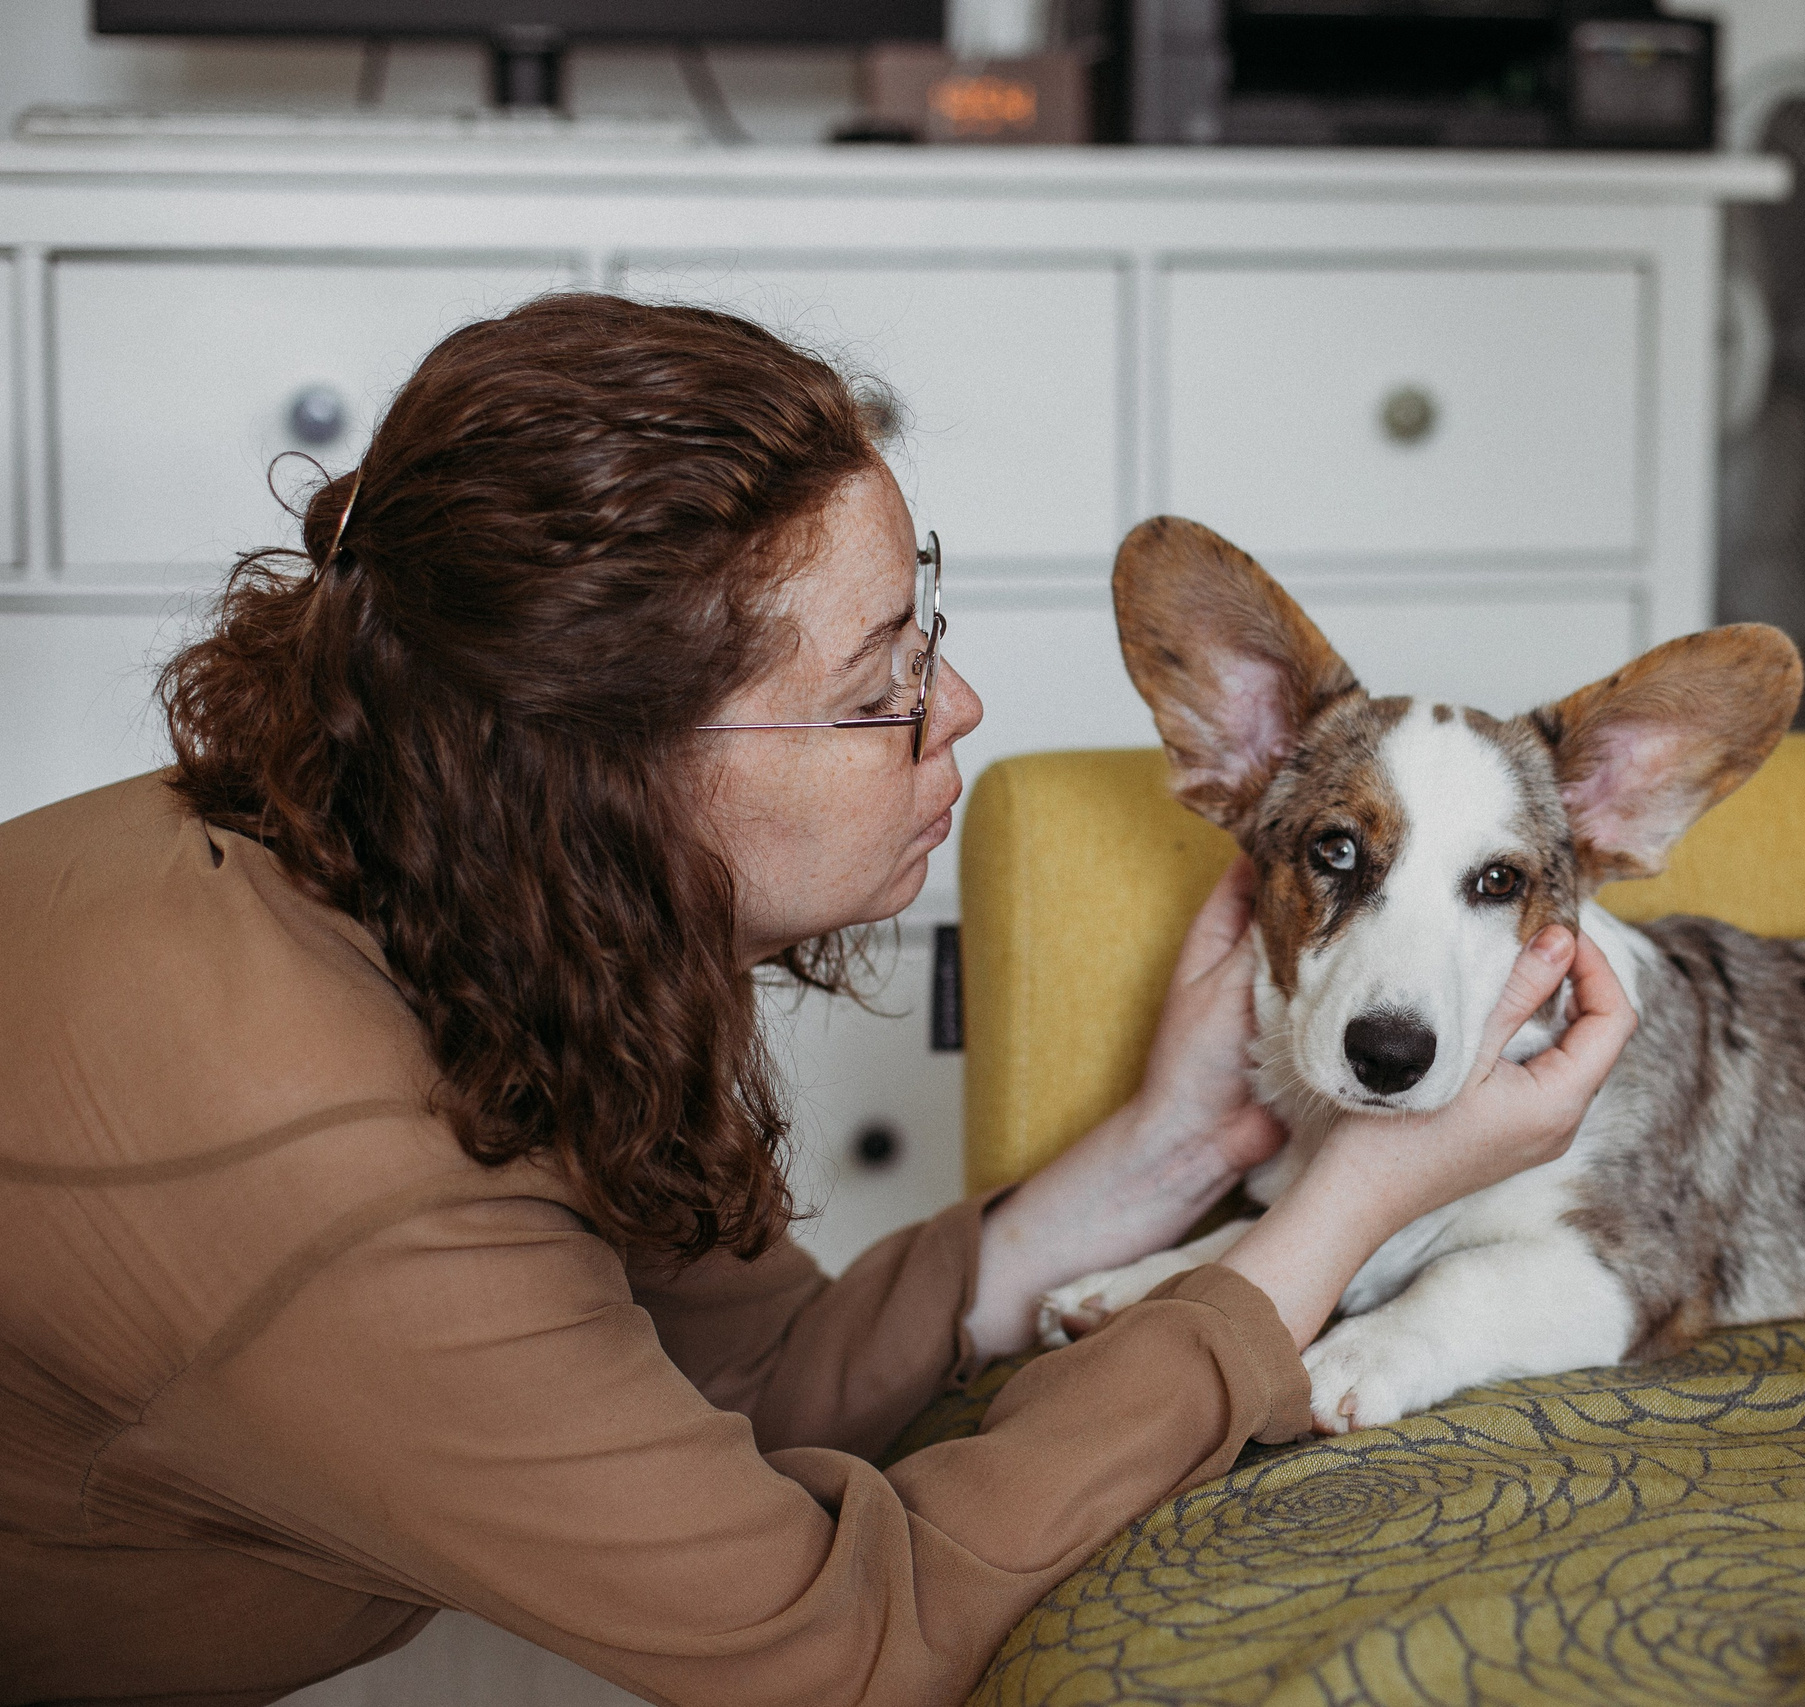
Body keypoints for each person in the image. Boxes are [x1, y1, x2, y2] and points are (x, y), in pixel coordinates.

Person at [0, 294, 1637, 1707]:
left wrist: (1163, 1148)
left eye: (923, 625)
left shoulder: (465, 876)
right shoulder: (326, 1182)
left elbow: (741, 1367)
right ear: (610, 779)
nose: (961, 704)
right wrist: (1336, 1219)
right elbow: (844, 1648)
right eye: (879, 694)